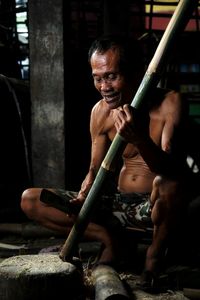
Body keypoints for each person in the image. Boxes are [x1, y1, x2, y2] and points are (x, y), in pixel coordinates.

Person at [20, 34, 194, 292]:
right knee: (31, 199)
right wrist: (84, 193)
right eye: (97, 78)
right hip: (120, 208)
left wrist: (140, 138)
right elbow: (95, 169)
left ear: (137, 73)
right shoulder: (100, 112)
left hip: (159, 207)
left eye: (111, 76)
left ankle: (153, 256)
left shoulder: (170, 103)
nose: (104, 87)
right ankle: (110, 239)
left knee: (168, 183)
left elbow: (171, 171)